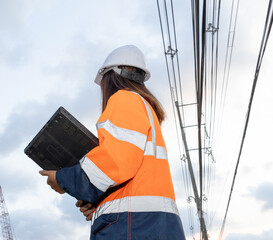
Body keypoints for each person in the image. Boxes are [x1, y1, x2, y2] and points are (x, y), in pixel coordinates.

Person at [40, 45, 186, 239]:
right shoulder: (144, 108)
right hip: (151, 225)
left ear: (112, 77)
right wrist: (97, 201)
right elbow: (128, 169)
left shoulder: (124, 99)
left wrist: (62, 179)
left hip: (134, 226)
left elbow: (116, 162)